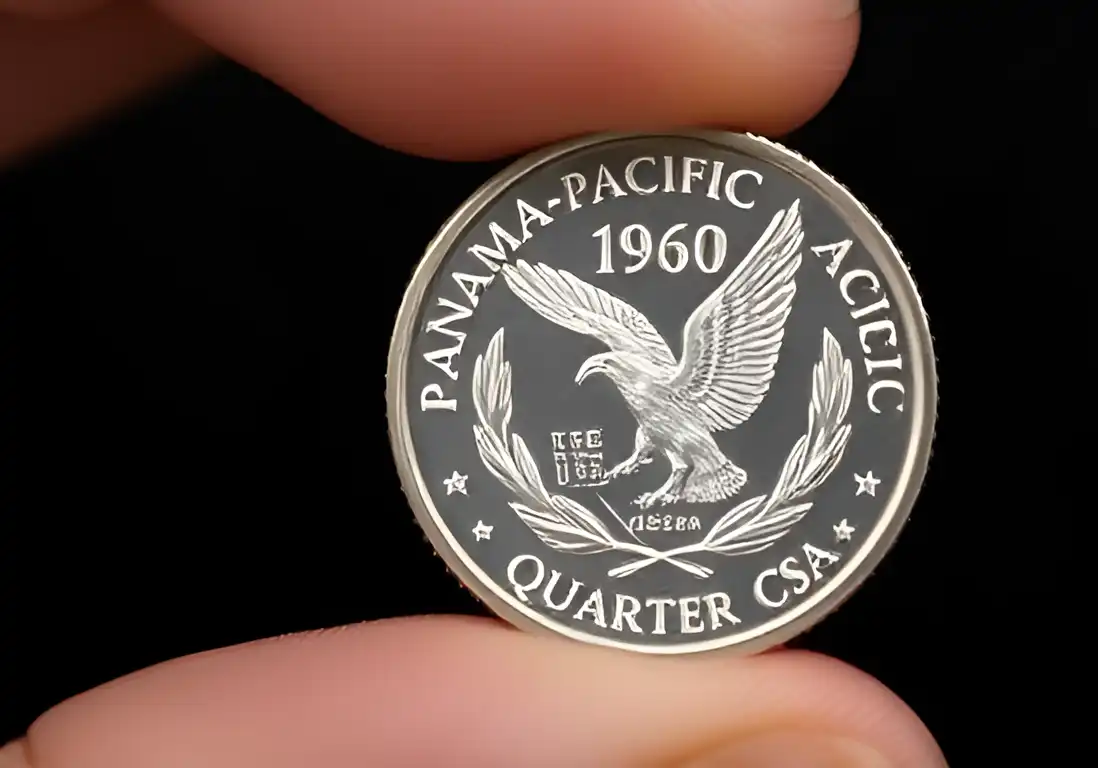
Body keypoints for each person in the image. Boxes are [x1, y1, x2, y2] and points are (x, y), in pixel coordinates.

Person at [0, 1, 945, 765]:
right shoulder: (630, 371)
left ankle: (694, 484)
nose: (602, 365)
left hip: (708, 453)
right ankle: (677, 483)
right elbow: (604, 330)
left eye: (611, 360)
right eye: (605, 356)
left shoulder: (695, 355)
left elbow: (724, 310)